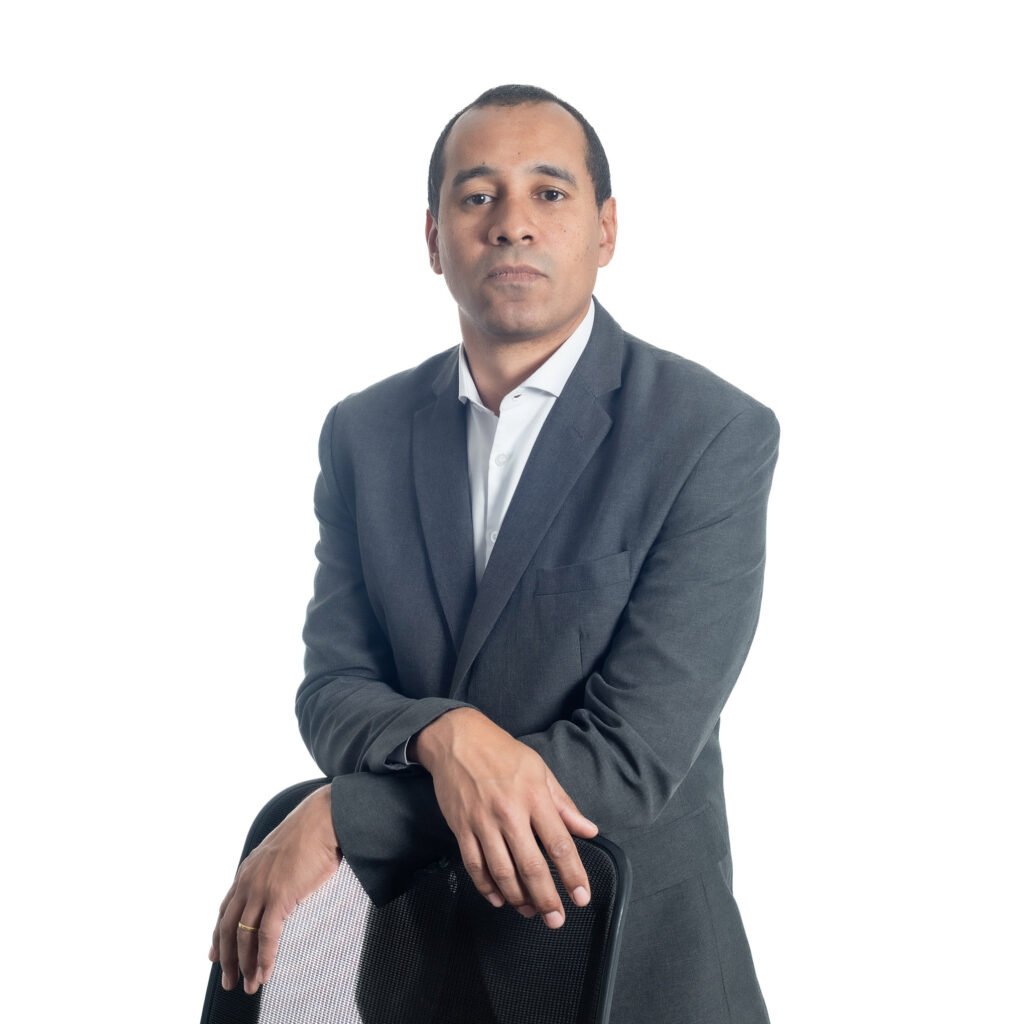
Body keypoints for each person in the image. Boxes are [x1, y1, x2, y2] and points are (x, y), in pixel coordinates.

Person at [211, 84, 779, 1024]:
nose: (513, 223)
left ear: (605, 229)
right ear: (434, 239)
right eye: (478, 196)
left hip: (637, 974)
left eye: (549, 193)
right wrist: (449, 736)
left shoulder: (709, 433)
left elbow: (632, 757)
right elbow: (335, 690)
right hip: (421, 975)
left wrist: (349, 813)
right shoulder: (364, 433)